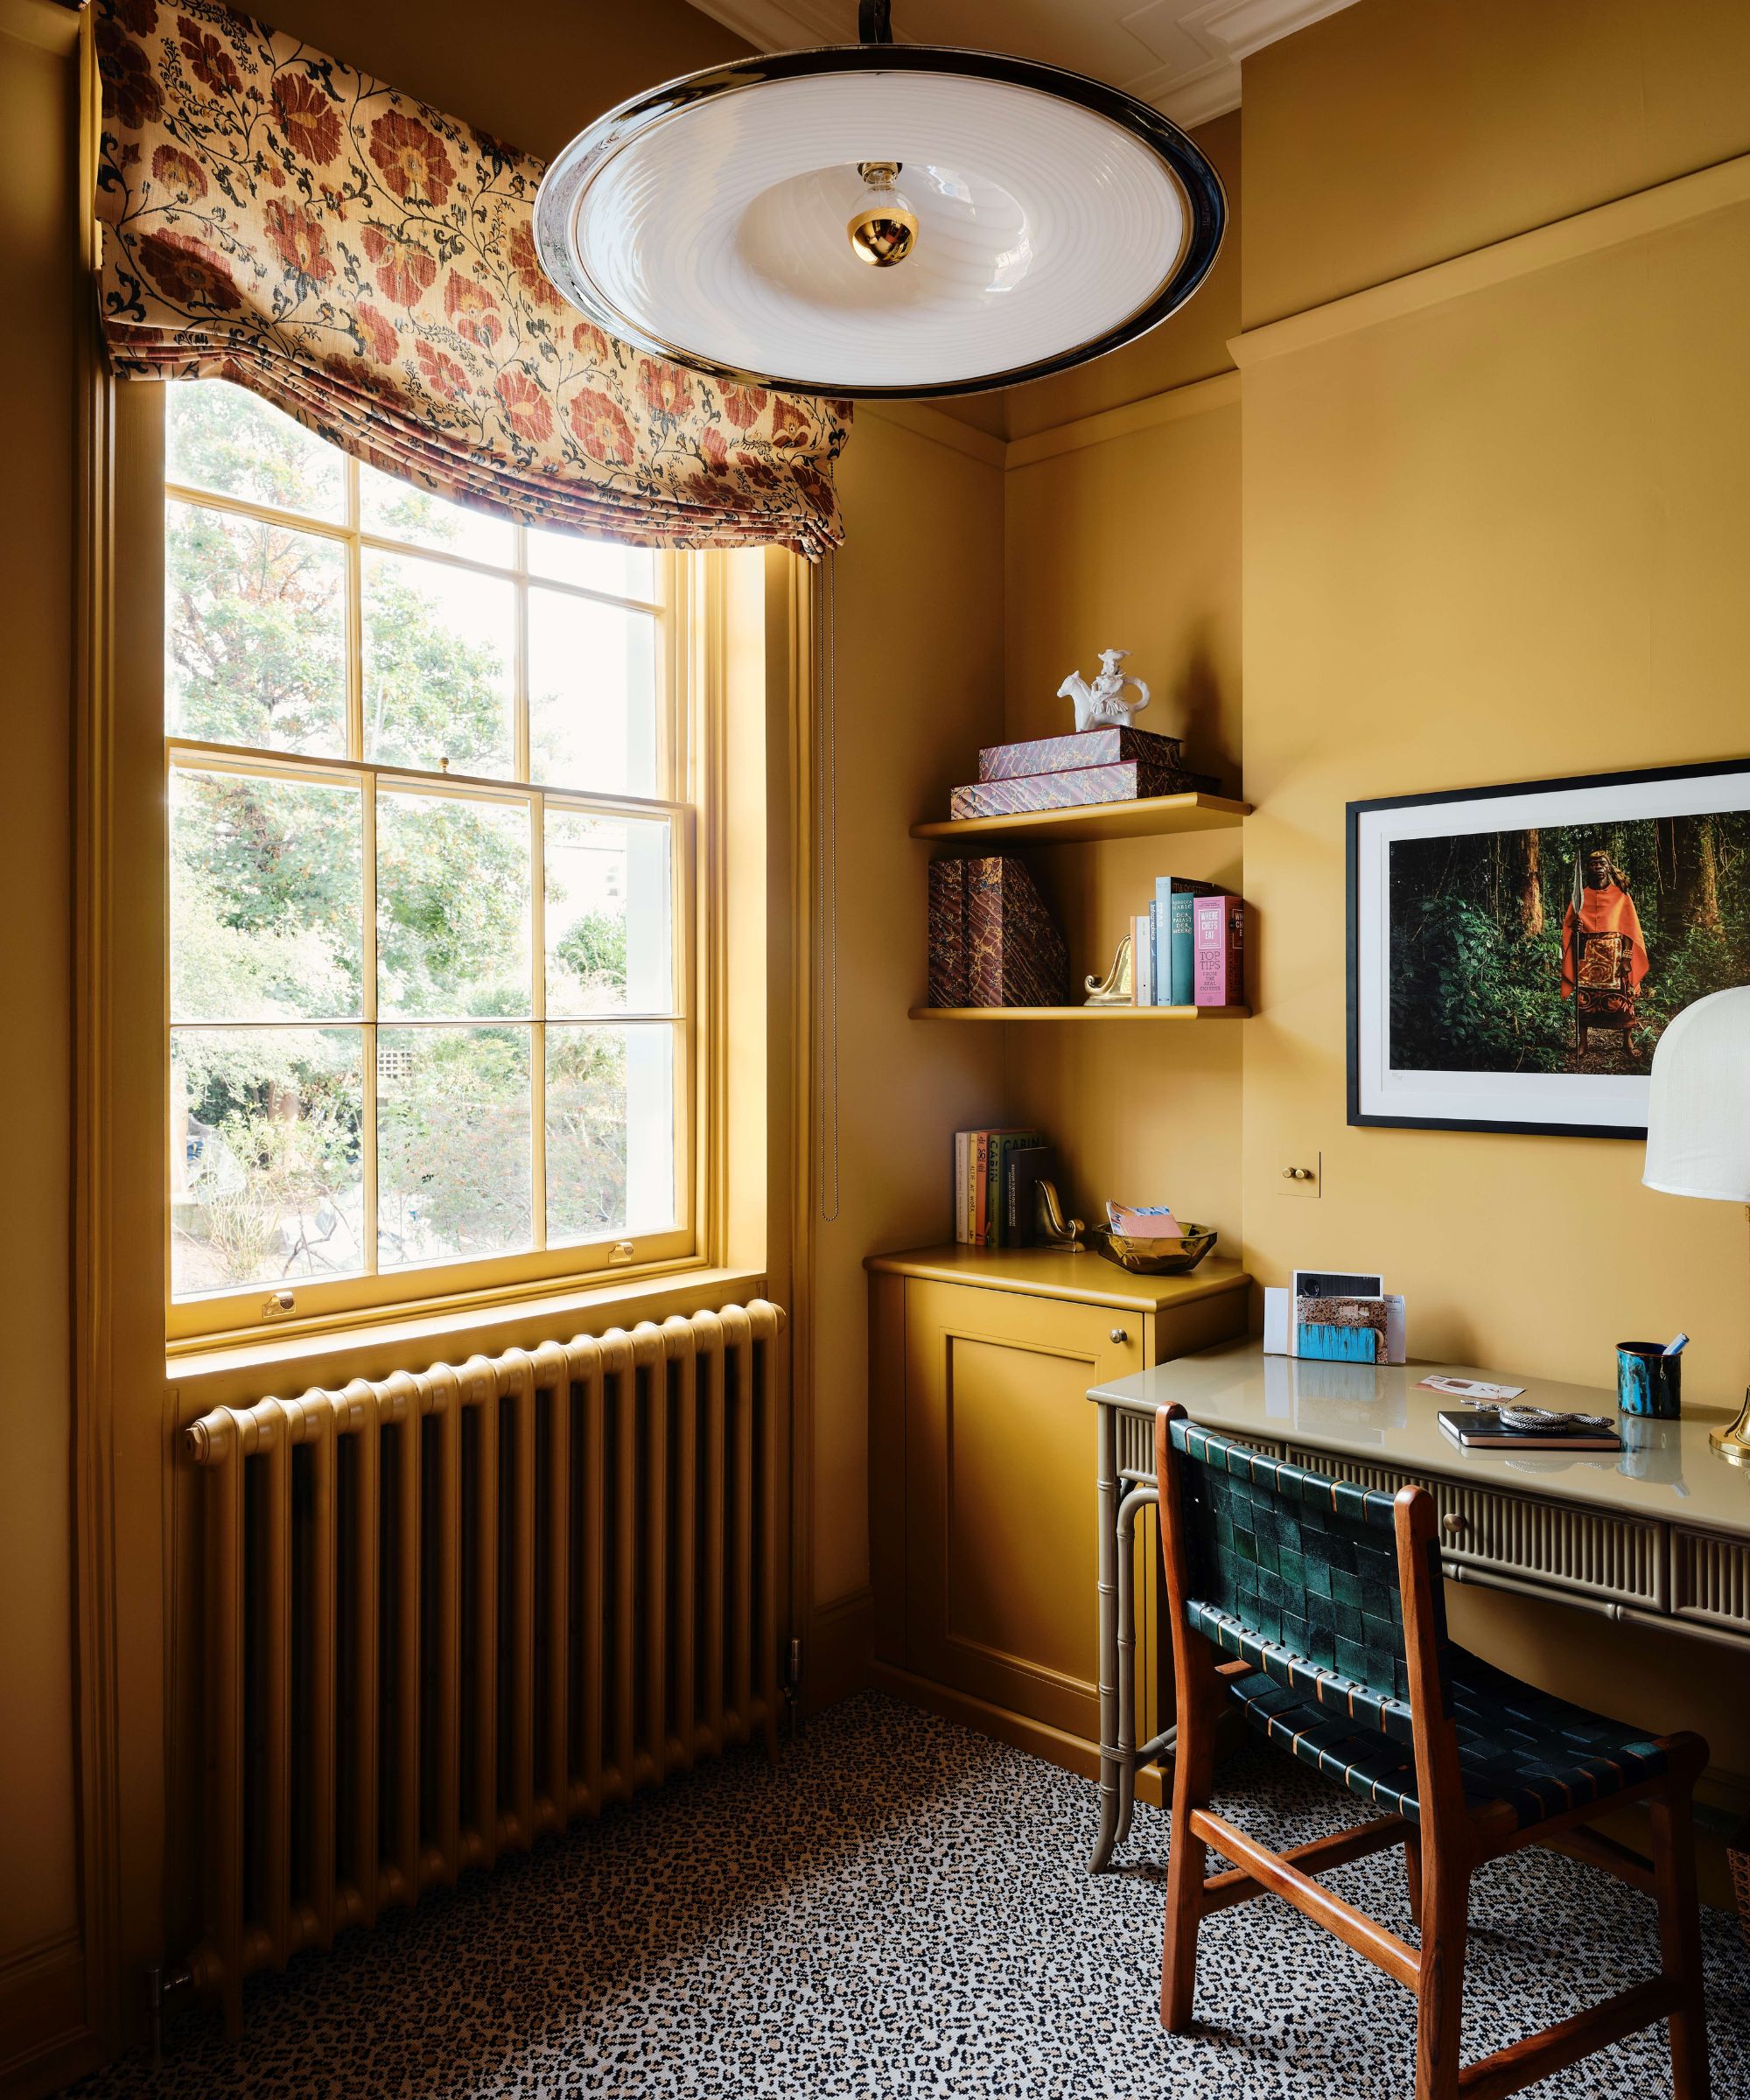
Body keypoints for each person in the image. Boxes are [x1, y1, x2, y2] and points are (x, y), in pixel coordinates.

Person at [1561, 849, 1648, 1056]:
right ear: (1588, 869)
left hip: (1616, 956)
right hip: (1587, 957)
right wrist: (1576, 928)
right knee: (1583, 1000)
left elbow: (1629, 929)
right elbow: (1570, 926)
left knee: (1624, 998)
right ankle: (1583, 1044)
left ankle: (1627, 1042)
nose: (1598, 868)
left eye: (1602, 864)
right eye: (1593, 865)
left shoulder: (1621, 895)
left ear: (1609, 867)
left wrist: (1627, 958)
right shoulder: (1580, 896)